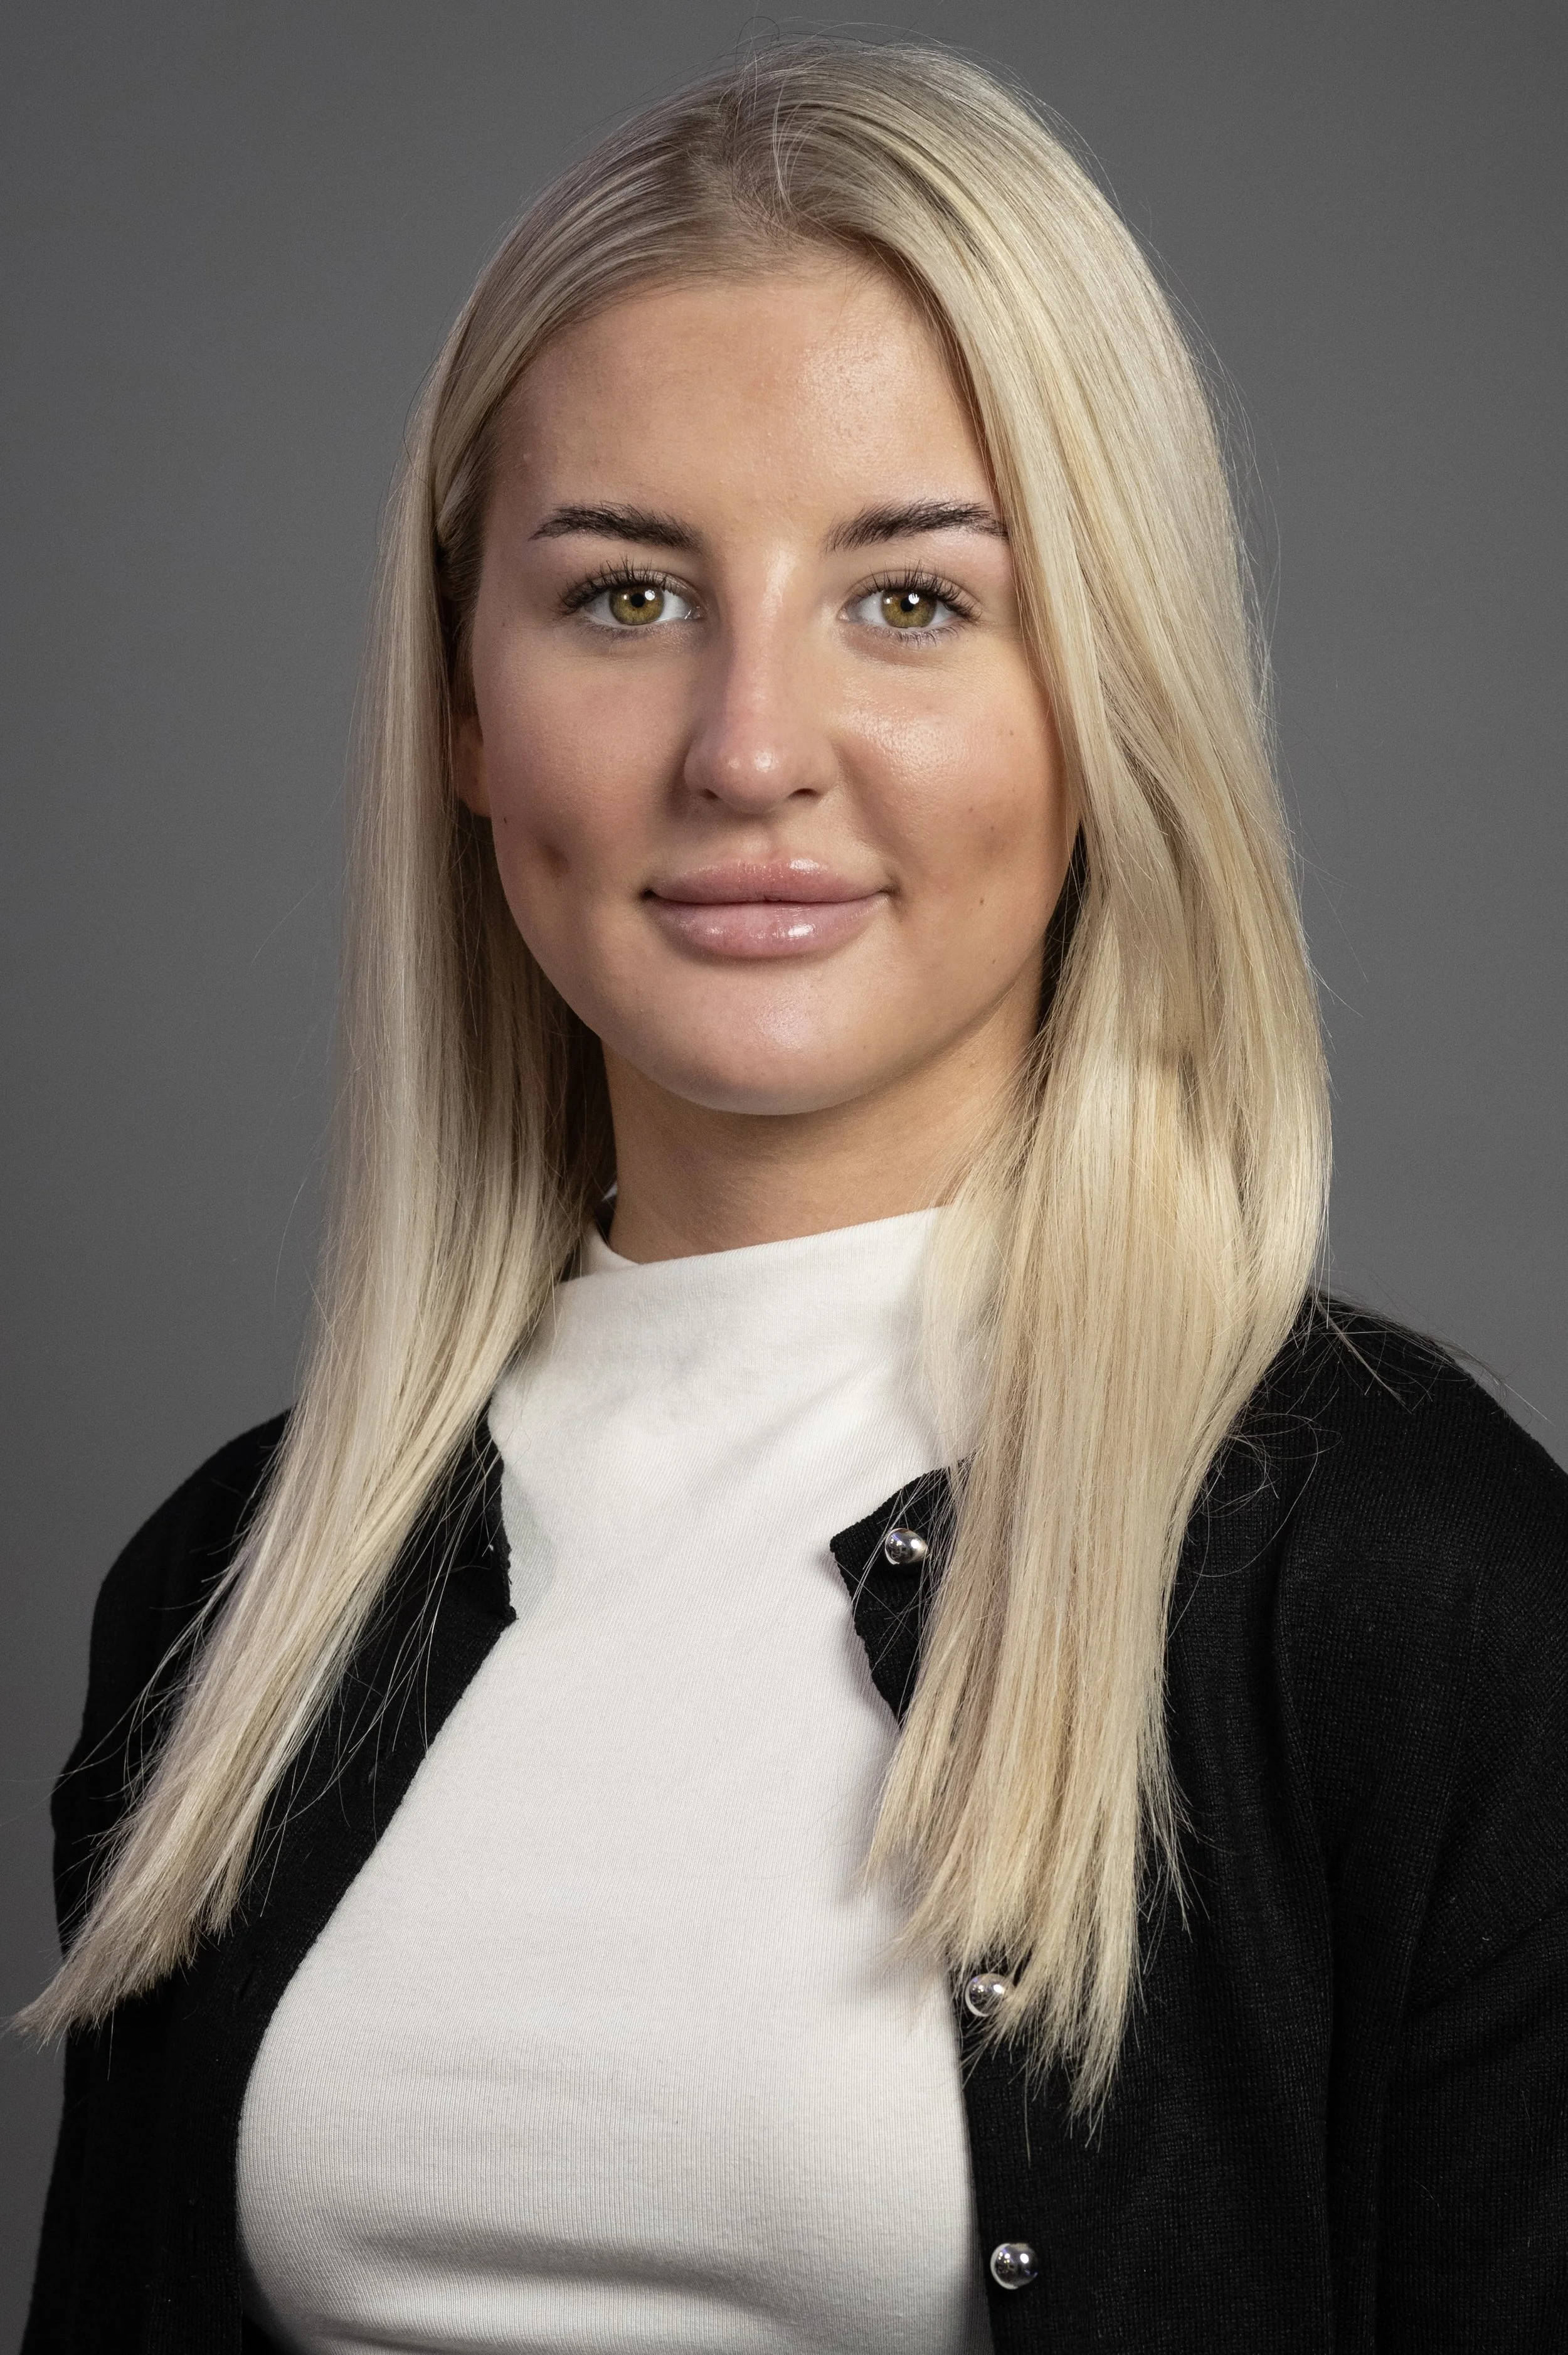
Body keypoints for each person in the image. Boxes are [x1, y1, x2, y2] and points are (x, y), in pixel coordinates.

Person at [19, 37, 1568, 2355]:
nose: (749, 747)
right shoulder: (237, 1601)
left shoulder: (1404, 1588)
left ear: (1107, 696)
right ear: (462, 697)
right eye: (625, 598)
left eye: (915, 602)